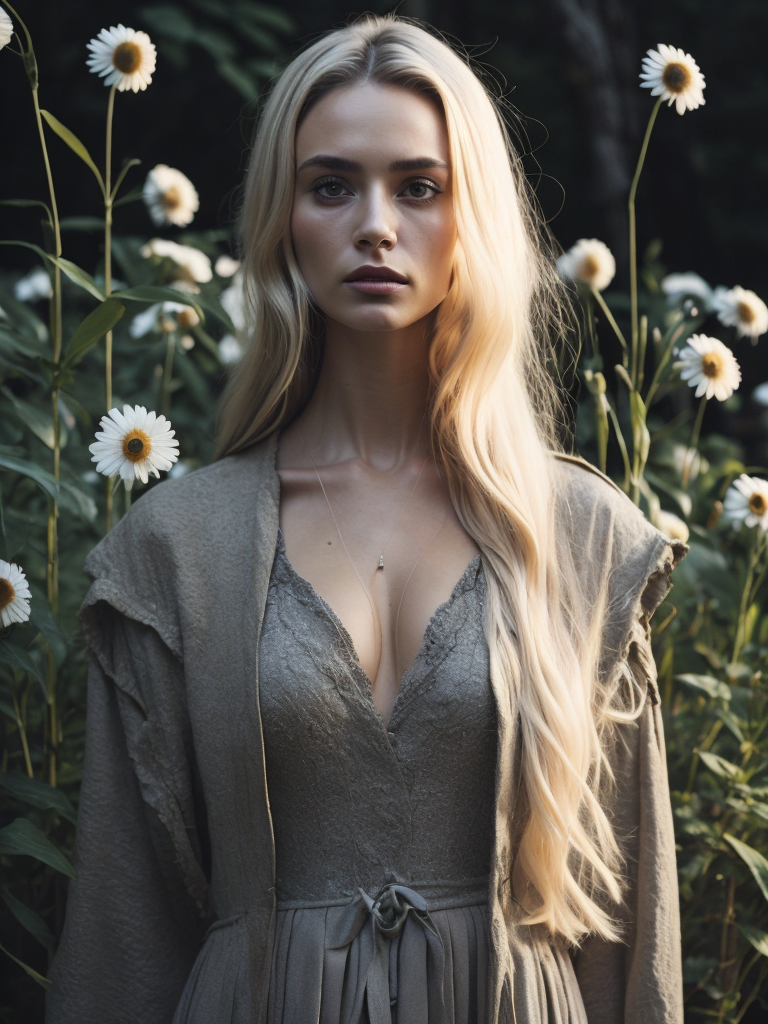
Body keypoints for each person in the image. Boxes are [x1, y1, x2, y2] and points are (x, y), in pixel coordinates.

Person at [47, 14, 687, 1024]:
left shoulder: (580, 534)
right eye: (332, 184)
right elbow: (124, 929)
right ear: (283, 217)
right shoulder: (179, 547)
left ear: (471, 214)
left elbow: (627, 922)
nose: (375, 224)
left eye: (420, 187)